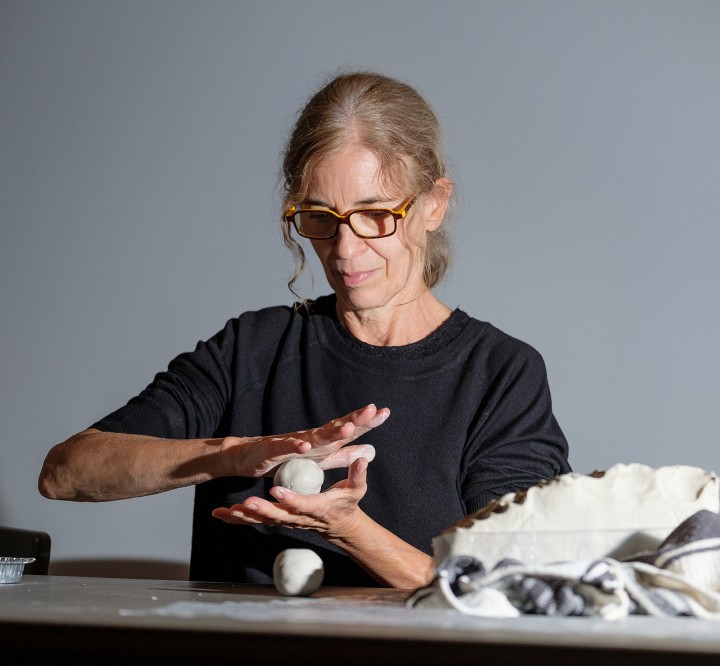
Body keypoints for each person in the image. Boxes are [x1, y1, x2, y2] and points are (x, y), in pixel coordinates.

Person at [38, 71, 571, 589]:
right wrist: (236, 454)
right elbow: (65, 472)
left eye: (374, 214)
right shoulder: (253, 349)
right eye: (320, 217)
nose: (344, 249)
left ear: (434, 204)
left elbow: (510, 584)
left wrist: (348, 529)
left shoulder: (499, 374)